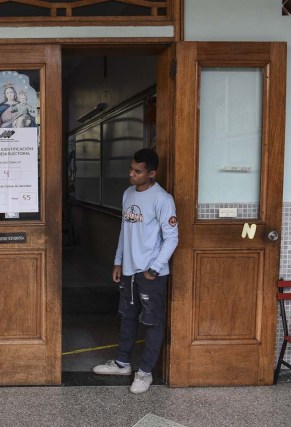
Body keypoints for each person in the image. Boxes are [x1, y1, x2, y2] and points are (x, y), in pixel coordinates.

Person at [92, 148, 179, 394]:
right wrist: (118, 261)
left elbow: (172, 238)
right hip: (129, 271)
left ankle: (145, 372)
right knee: (127, 316)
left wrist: (154, 268)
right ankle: (122, 363)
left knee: (152, 321)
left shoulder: (162, 199)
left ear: (152, 173)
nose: (132, 174)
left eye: (137, 171)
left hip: (151, 273)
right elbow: (124, 231)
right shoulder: (128, 193)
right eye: (131, 169)